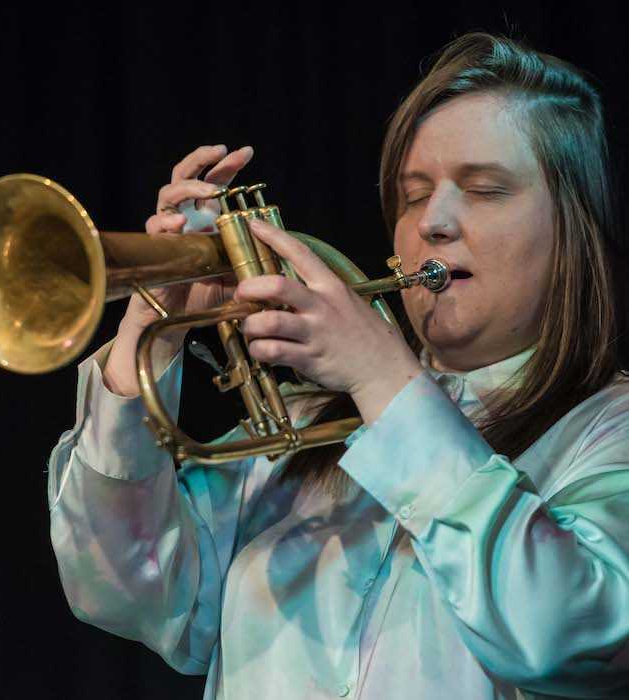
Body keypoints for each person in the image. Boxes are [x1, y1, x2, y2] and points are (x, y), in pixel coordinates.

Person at [48, 32, 629, 699]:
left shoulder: (610, 432)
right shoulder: (300, 427)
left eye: (485, 189)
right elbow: (123, 591)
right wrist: (151, 328)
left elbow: (565, 638)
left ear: (574, 229)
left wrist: (387, 384)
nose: (433, 222)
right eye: (413, 195)